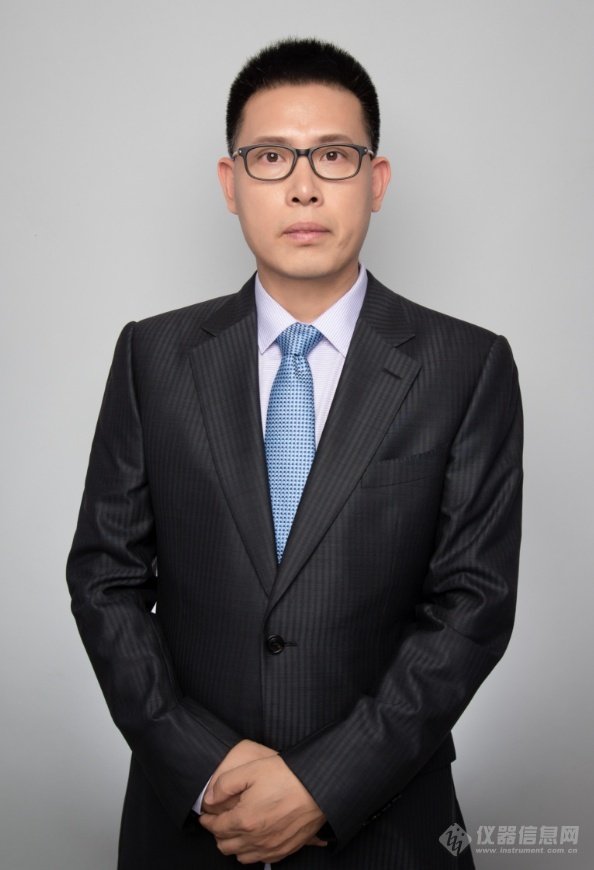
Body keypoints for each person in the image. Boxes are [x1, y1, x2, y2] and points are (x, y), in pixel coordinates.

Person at [67, 37, 523, 869]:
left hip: (390, 825)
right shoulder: (153, 357)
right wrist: (203, 764)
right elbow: (106, 579)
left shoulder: (466, 365)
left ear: (376, 181)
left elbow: (473, 604)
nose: (304, 185)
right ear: (230, 182)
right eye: (271, 156)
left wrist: (326, 782)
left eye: (334, 156)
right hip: (193, 821)